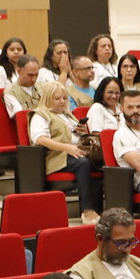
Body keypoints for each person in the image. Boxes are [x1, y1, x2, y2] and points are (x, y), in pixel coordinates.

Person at [28, 83, 99, 223]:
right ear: (48, 98)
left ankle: (102, 209)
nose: (62, 101)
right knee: (82, 163)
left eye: (64, 98)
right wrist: (67, 147)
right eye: (57, 98)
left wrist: (82, 133)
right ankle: (87, 210)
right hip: (55, 157)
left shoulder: (67, 115)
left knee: (98, 161)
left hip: (75, 152)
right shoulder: (40, 115)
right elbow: (39, 139)